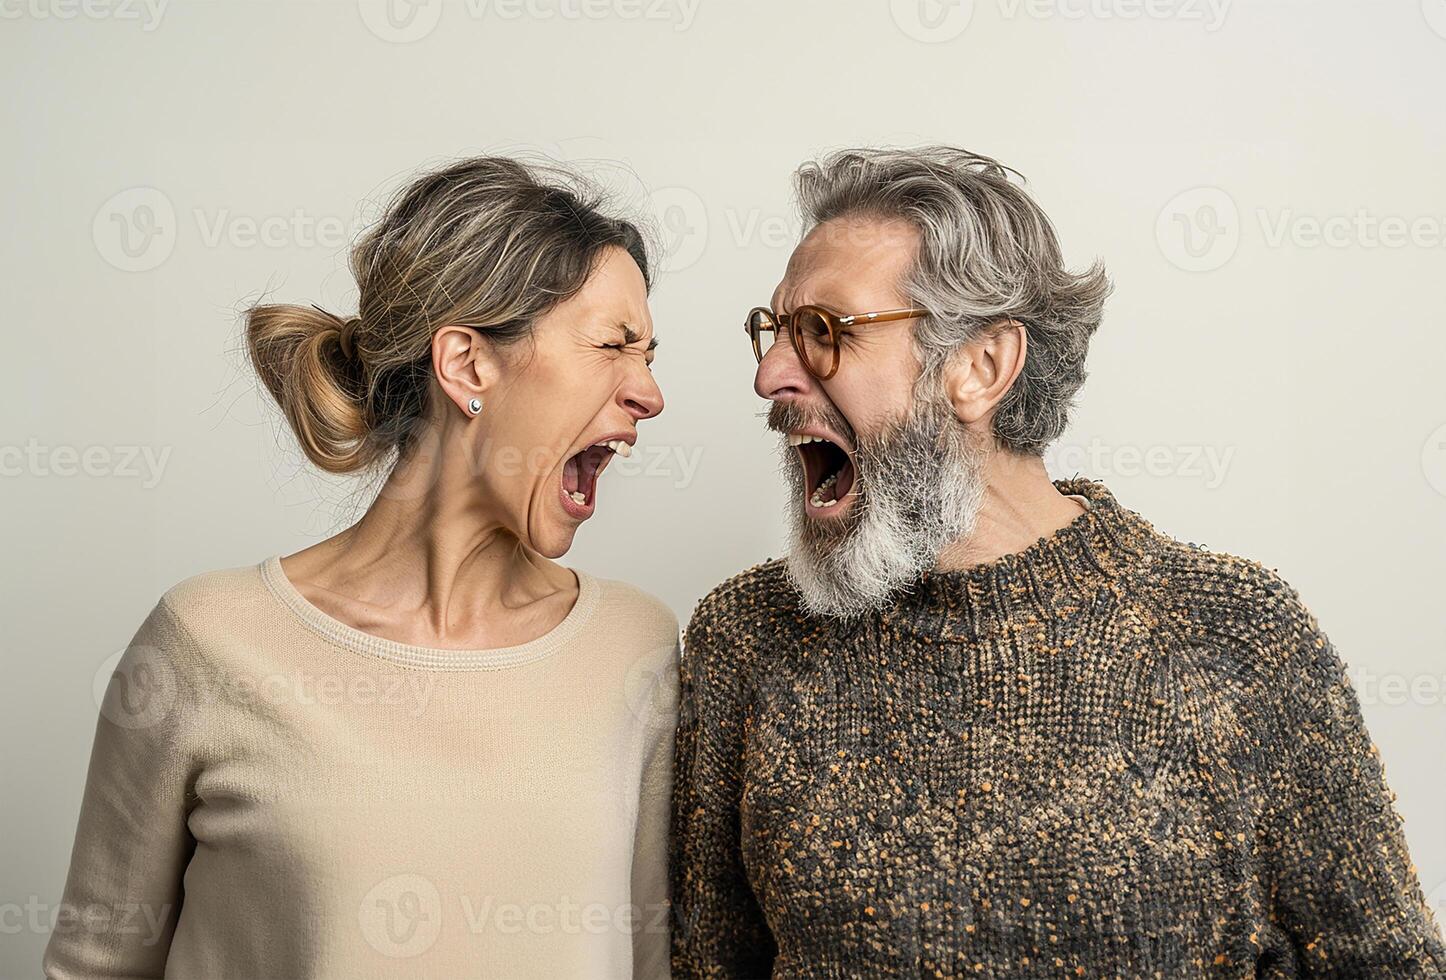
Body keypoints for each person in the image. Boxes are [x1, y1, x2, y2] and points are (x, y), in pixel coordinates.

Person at [670, 146, 1445, 977]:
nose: (769, 376)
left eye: (824, 331)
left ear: (981, 367)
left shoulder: (1234, 633)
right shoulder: (746, 638)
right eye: (776, 329)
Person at [45, 157, 679, 978]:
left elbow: (653, 961)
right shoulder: (208, 641)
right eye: (612, 346)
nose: (651, 394)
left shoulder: (637, 646)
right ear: (467, 364)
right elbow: (94, 968)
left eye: (651, 354)